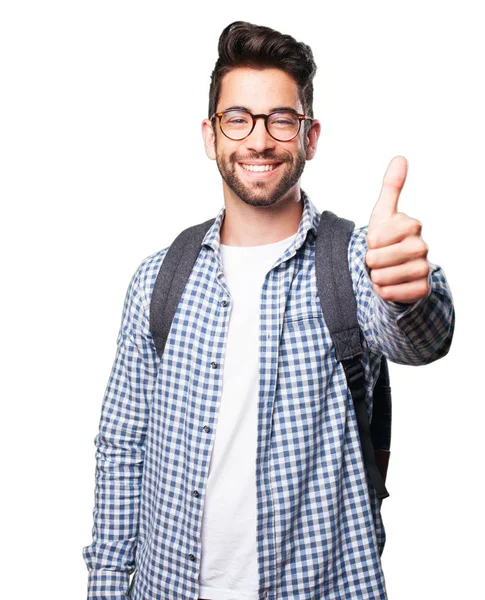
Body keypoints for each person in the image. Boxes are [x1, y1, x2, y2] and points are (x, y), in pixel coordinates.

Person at [83, 21, 455, 600]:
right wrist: (106, 586)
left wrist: (409, 293)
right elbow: (123, 443)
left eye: (282, 119)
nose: (259, 140)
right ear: (211, 135)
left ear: (310, 137)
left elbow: (422, 339)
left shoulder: (354, 262)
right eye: (238, 119)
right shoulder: (159, 280)